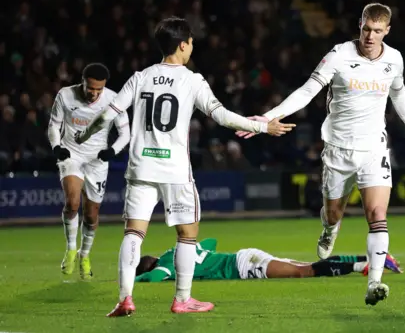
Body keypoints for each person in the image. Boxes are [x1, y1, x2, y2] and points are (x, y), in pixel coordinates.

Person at [75, 17, 295, 317]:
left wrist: (86, 136)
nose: (192, 47)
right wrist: (261, 127)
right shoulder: (192, 80)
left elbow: (107, 114)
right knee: (187, 234)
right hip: (175, 171)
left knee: (133, 233)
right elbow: (223, 117)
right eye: (191, 42)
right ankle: (182, 299)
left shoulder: (140, 76)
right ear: (182, 44)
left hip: (141, 168)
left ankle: (125, 299)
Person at [236, 3, 405, 305]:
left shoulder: (394, 59)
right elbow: (307, 90)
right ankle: (329, 228)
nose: (370, 36)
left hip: (373, 148)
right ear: (360, 25)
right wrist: (269, 116)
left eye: (377, 31)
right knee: (334, 213)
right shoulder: (339, 55)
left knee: (377, 215)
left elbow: (398, 91)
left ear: (387, 31)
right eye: (366, 28)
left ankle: (374, 283)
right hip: (339, 149)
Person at [47, 63, 130, 280]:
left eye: (98, 90)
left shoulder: (113, 99)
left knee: (92, 215)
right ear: (82, 82)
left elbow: (125, 134)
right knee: (72, 203)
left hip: (97, 160)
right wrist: (57, 147)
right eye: (90, 88)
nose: (94, 94)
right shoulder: (65, 95)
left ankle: (85, 255)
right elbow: (54, 125)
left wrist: (112, 151)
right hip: (71, 155)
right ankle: (71, 249)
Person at [135, 238, 403, 283]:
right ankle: (375, 258)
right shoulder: (177, 250)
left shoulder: (166, 265)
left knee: (306, 271)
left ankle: (363, 266)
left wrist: (137, 278)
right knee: (306, 266)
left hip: (245, 266)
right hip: (246, 256)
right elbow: (210, 242)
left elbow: (157, 277)